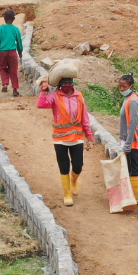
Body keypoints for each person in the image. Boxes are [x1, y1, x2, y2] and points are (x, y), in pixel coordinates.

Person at [37, 60, 92, 206]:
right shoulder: (55, 96)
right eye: (65, 84)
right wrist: (44, 90)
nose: (68, 86)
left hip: (77, 137)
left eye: (70, 83)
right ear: (61, 85)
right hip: (60, 138)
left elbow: (85, 116)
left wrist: (89, 134)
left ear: (73, 84)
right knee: (64, 166)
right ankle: (67, 194)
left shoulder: (78, 96)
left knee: (78, 165)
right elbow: (41, 104)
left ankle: (74, 181)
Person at [115, 72, 138, 209]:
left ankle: (136, 197)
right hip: (127, 140)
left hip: (132, 141)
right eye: (120, 86)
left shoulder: (132, 100)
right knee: (129, 167)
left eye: (124, 86)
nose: (121, 89)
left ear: (131, 86)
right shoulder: (128, 98)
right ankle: (130, 195)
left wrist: (127, 145)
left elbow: (132, 124)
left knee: (134, 167)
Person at [0, 8, 25, 97]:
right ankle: (15, 88)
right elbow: (19, 42)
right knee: (13, 70)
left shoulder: (1, 28)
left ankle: (5, 83)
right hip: (12, 53)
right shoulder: (16, 29)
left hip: (2, 52)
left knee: (3, 68)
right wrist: (20, 52)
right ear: (14, 19)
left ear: (4, 18)